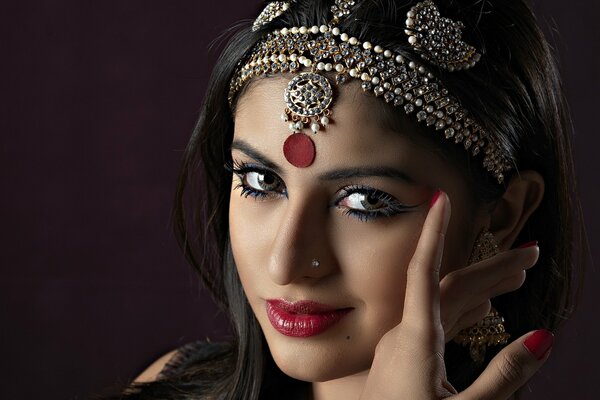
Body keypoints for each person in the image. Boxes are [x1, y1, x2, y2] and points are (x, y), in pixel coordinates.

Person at [103, 0, 585, 398]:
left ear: (502, 215)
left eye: (366, 202)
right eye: (260, 181)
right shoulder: (171, 385)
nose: (285, 262)